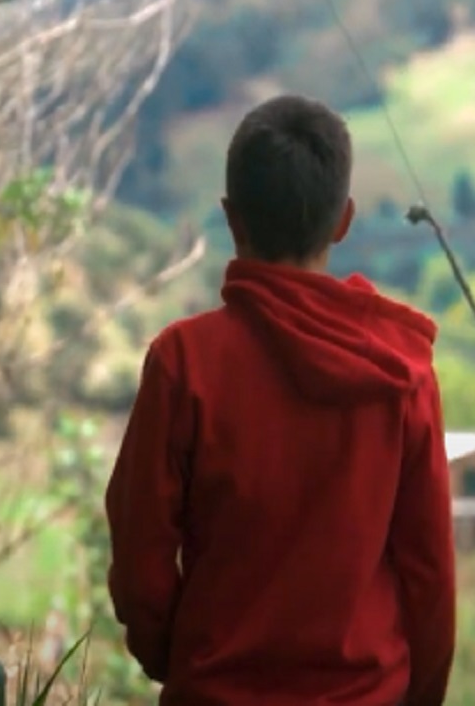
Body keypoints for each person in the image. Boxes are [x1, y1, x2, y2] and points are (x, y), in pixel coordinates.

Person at [105, 94, 456, 706]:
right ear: (343, 221)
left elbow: (142, 556)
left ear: (231, 218)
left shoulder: (183, 364)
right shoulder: (401, 375)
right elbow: (429, 574)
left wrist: (179, 660)